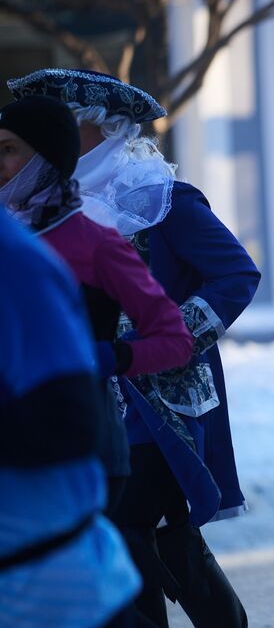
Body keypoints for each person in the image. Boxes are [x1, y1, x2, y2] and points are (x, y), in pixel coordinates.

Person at [9, 68, 261, 628]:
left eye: (73, 128)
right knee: (151, 541)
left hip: (159, 404)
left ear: (109, 129)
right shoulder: (35, 207)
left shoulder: (160, 199)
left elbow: (235, 274)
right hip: (90, 399)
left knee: (133, 530)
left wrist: (168, 337)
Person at [0, 95, 193, 513]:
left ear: (45, 158)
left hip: (82, 441)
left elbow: (174, 339)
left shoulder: (95, 240)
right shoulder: (7, 238)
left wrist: (103, 357)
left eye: (9, 149)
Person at [0, 210, 141, 628]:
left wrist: (114, 355)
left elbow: (72, 420)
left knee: (162, 541)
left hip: (49, 593)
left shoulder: (15, 261)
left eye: (11, 149)